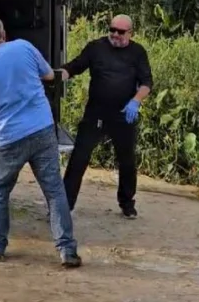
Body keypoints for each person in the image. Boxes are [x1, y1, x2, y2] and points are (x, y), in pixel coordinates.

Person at [0, 14, 82, 268]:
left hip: (8, 139)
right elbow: (49, 76)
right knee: (54, 192)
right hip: (42, 130)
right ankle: (67, 251)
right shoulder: (24, 47)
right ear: (3, 33)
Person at [60, 14, 152, 219]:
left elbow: (147, 83)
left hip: (123, 115)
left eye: (120, 32)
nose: (115, 35)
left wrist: (135, 101)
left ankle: (127, 203)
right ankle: (65, 204)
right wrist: (57, 75)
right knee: (79, 157)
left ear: (130, 33)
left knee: (127, 160)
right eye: (112, 30)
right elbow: (74, 67)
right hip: (96, 113)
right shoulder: (96, 47)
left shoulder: (138, 52)